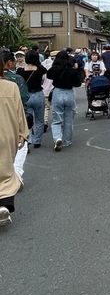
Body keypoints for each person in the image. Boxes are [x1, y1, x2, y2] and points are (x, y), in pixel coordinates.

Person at [0, 55, 29, 226]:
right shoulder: (11, 86)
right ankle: (4, 204)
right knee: (5, 170)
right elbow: (20, 113)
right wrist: (22, 134)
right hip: (6, 134)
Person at [2, 49, 30, 187]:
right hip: (12, 118)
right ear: (8, 63)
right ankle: (16, 174)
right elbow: (25, 98)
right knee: (20, 146)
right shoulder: (15, 80)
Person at [47, 50, 82, 151]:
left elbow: (49, 75)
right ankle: (67, 141)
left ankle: (58, 138)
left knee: (56, 119)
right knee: (69, 119)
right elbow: (78, 83)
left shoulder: (55, 68)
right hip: (69, 93)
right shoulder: (71, 70)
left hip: (57, 93)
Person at [17, 50, 46, 149]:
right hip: (38, 94)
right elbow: (43, 81)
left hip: (26, 96)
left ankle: (28, 140)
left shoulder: (20, 71)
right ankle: (37, 141)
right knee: (39, 120)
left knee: (27, 120)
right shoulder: (41, 69)